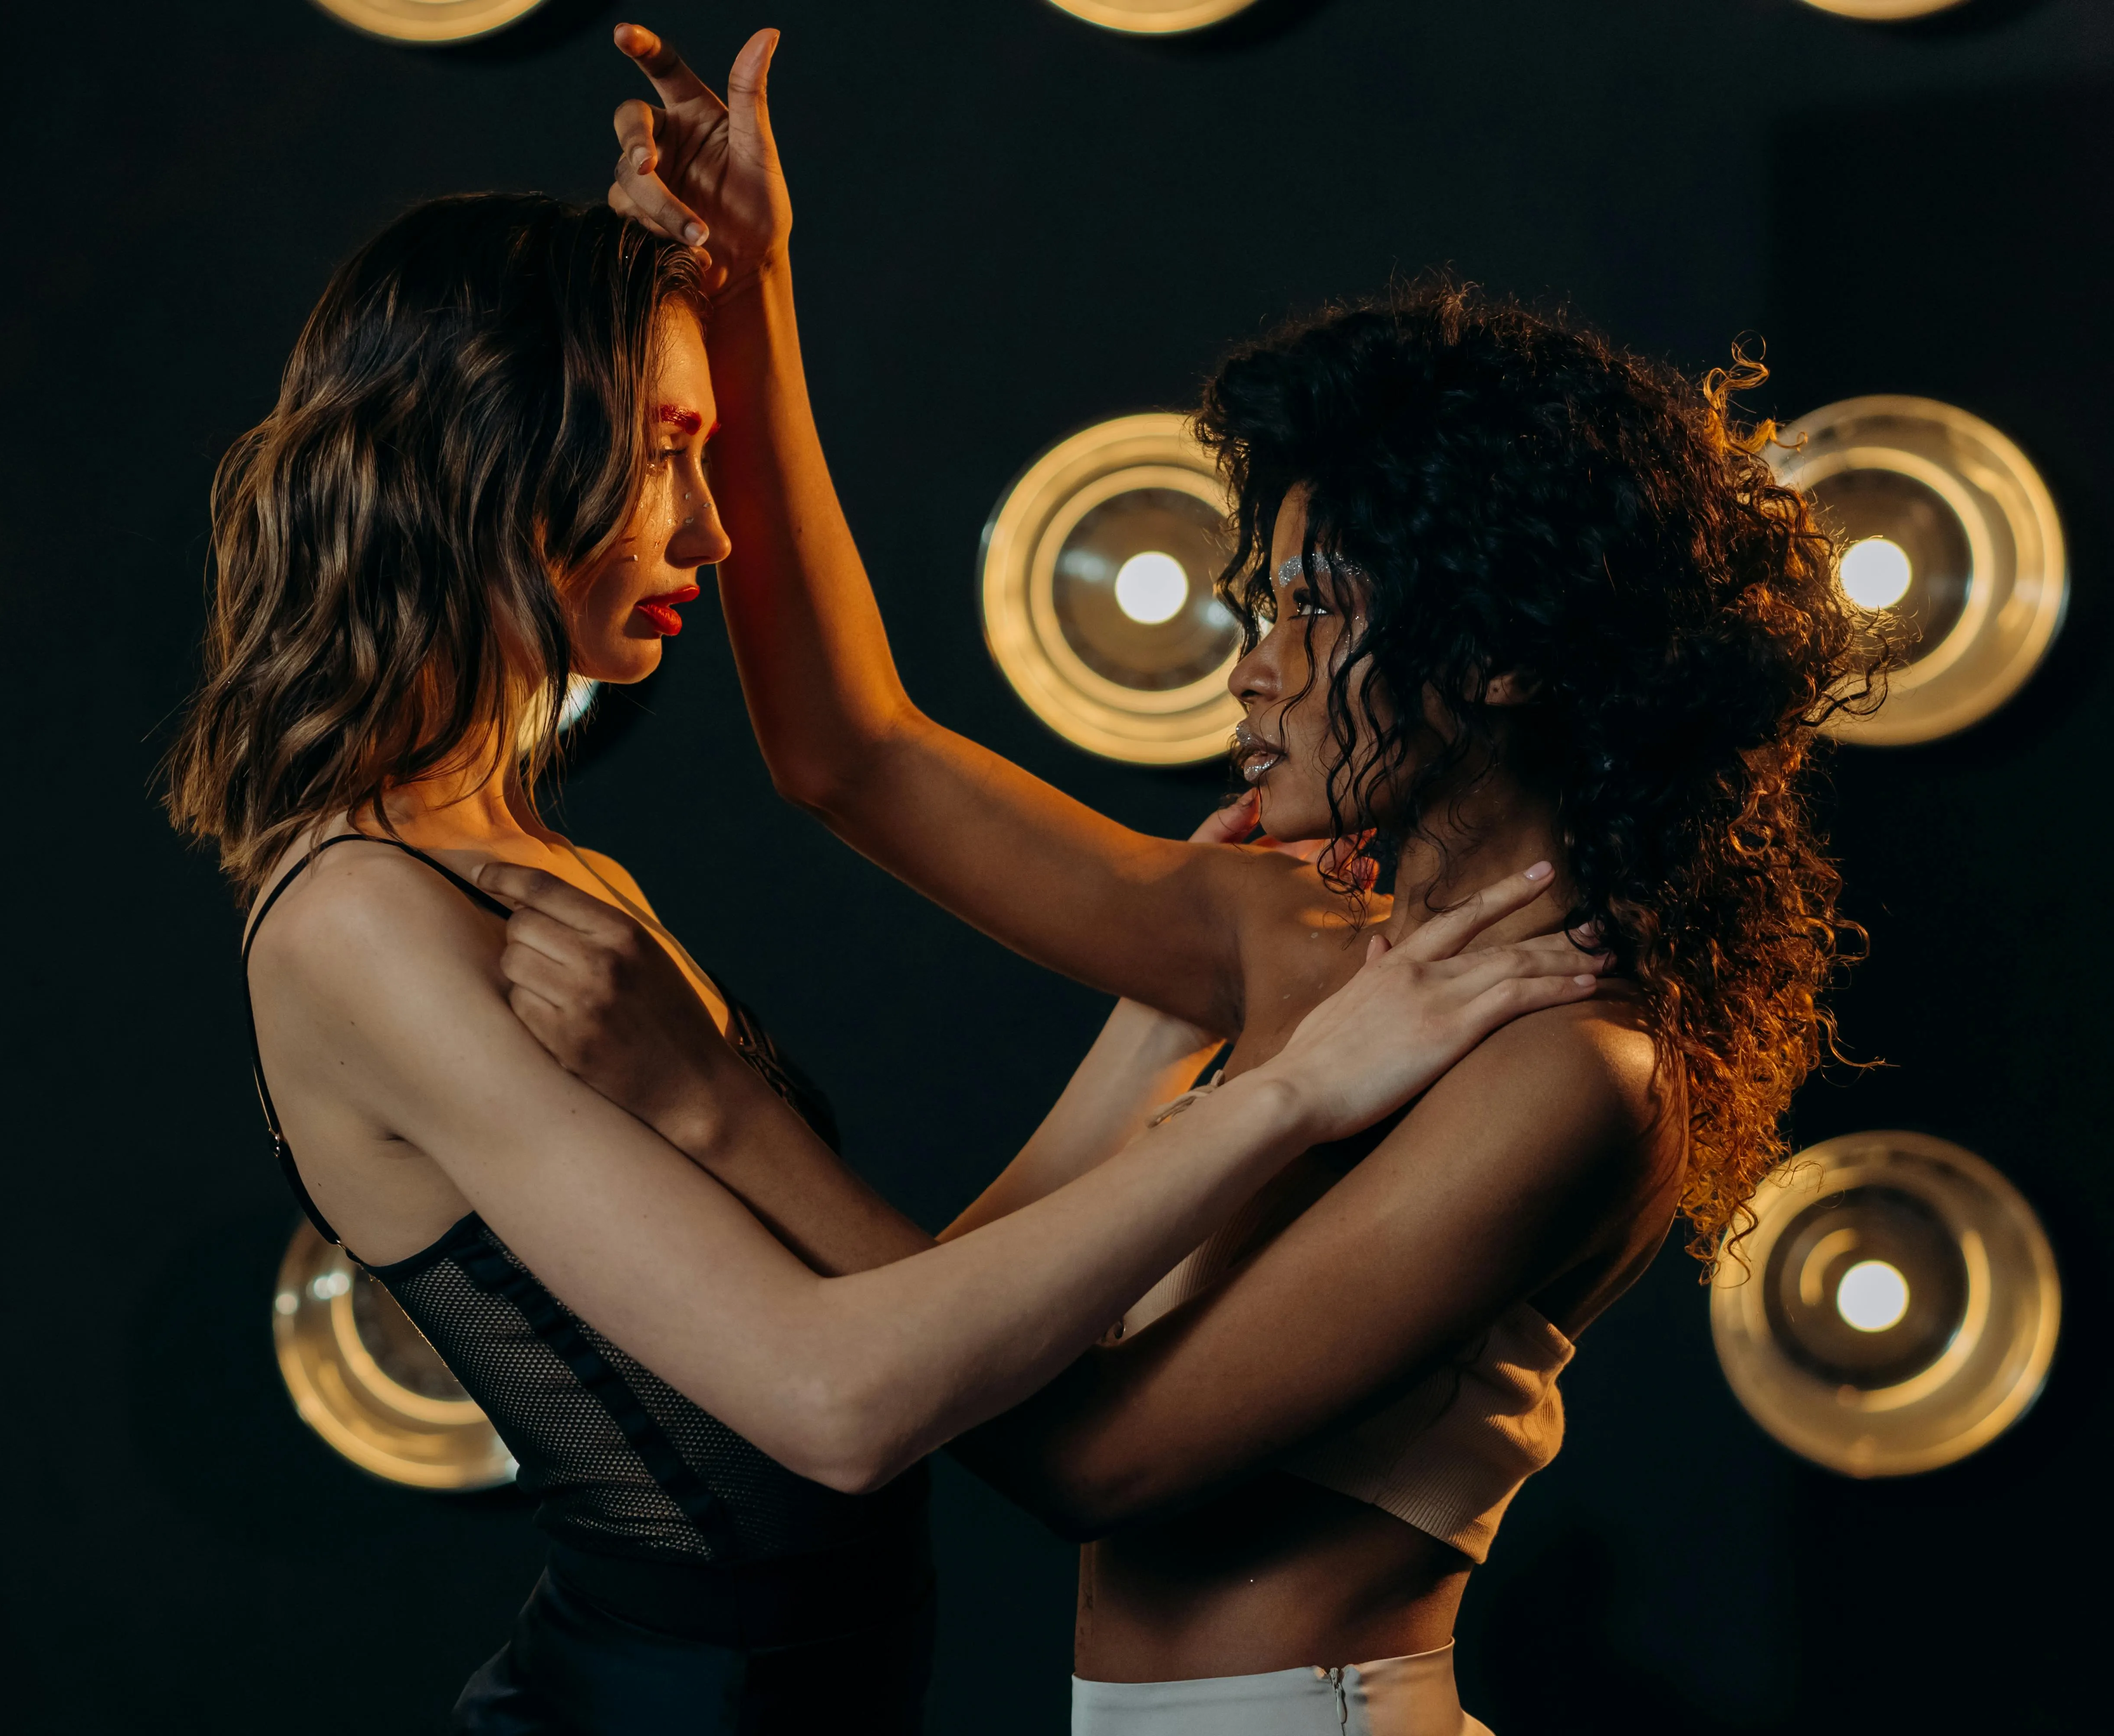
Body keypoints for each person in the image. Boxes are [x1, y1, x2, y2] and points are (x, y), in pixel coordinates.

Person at [476, 25, 1883, 1733]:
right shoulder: (1294, 927)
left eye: (1312, 609)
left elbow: (1093, 1455)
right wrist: (755, 283)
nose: (1254, 663)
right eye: (1256, 601)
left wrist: (711, 1111)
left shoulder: (1571, 1072)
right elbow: (850, 755)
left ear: (1502, 652)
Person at [165, 192, 1601, 1733]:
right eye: (667, 450)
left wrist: (1150, 1034)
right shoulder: (358, 916)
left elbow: (918, 1314)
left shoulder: (552, 873)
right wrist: (1298, 1090)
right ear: (487, 446)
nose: (710, 527)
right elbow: (843, 1405)